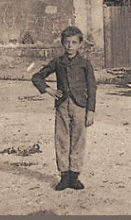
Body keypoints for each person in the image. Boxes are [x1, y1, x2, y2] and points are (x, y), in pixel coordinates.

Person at [32, 26, 96, 191]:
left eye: (74, 42)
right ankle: (64, 176)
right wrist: (49, 89)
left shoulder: (85, 64)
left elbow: (92, 88)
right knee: (61, 139)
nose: (70, 46)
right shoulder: (58, 62)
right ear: (62, 43)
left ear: (80, 44)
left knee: (78, 140)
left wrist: (91, 110)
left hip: (80, 106)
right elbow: (37, 77)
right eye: (67, 42)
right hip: (62, 106)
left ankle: (74, 176)